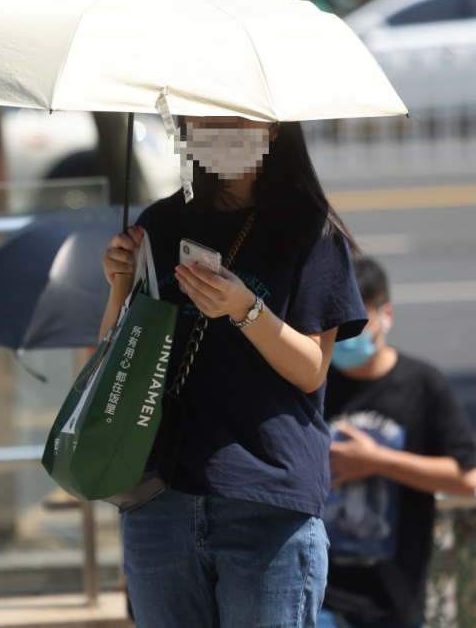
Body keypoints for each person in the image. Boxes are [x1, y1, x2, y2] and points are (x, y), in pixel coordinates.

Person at [102, 117, 368, 627]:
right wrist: (118, 284)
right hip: (160, 498)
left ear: (270, 128)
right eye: (200, 121)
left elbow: (311, 369)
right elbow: (119, 363)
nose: (214, 131)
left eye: (231, 120)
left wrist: (245, 308)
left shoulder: (312, 232)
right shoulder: (160, 224)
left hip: (267, 500)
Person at [319, 258, 476, 628]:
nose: (343, 335)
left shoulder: (423, 384)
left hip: (394, 604)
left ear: (384, 314)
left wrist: (377, 461)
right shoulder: (312, 384)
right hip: (319, 601)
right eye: (333, 323)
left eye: (354, 322)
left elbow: (467, 479)